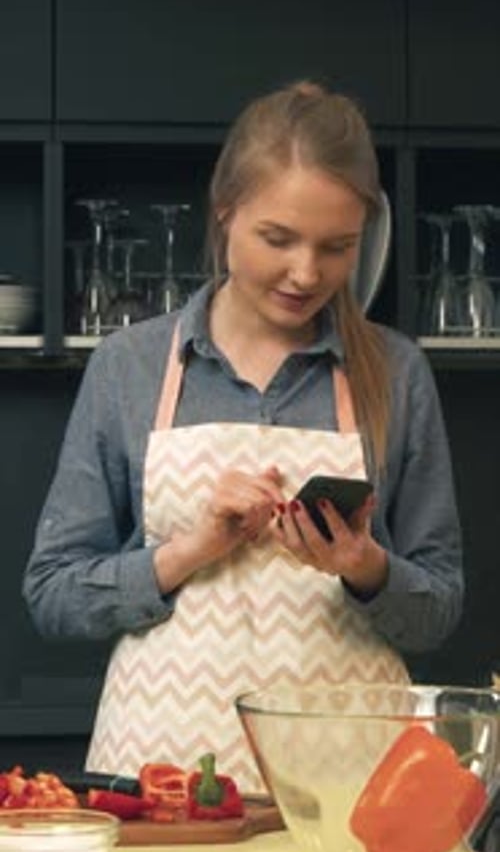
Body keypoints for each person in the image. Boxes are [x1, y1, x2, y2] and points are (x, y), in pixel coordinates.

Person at [23, 80, 464, 793]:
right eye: (278, 239)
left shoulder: (396, 372)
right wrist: (190, 550)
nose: (306, 273)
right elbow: (52, 595)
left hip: (353, 788)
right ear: (225, 211)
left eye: (337, 247)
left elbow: (438, 609)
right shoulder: (129, 367)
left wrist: (364, 565)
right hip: (156, 782)